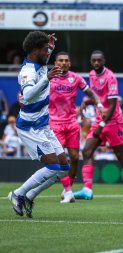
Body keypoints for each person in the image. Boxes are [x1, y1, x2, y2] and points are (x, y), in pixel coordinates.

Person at [8, 31, 70, 218]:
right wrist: (47, 79)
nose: (48, 54)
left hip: (43, 125)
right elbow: (27, 95)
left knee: (63, 168)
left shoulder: (40, 62)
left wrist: (50, 45)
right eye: (45, 50)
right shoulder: (28, 72)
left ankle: (30, 196)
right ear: (35, 50)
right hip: (30, 127)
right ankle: (17, 194)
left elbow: (44, 57)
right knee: (53, 167)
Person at [73, 50, 123, 202]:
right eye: (94, 60)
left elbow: (112, 104)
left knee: (120, 154)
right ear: (91, 61)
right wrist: (87, 101)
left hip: (113, 121)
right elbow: (99, 98)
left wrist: (101, 125)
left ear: (104, 61)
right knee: (87, 151)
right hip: (99, 119)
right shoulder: (91, 74)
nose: (96, 63)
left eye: (99, 60)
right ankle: (87, 189)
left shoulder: (110, 77)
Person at [49, 51, 105, 203]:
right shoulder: (48, 78)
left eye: (66, 60)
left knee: (74, 157)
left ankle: (68, 190)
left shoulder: (76, 78)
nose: (64, 63)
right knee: (61, 159)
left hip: (72, 123)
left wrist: (99, 104)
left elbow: (91, 93)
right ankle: (67, 191)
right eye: (60, 60)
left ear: (70, 63)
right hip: (55, 123)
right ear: (55, 63)